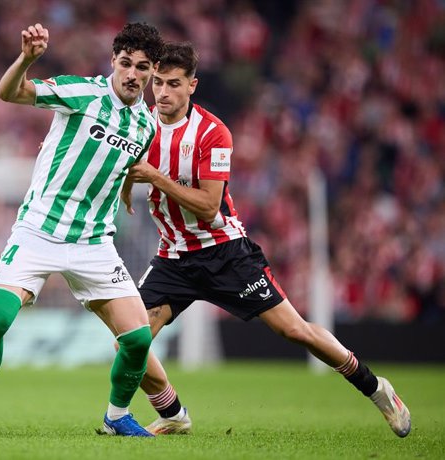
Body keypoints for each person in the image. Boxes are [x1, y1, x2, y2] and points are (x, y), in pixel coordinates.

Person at [121, 42, 411, 437]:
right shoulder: (140, 124)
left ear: (193, 85)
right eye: (158, 83)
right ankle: (172, 413)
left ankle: (377, 388)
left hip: (226, 253)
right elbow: (118, 162)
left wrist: (154, 178)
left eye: (174, 84)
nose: (163, 92)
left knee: (295, 331)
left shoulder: (213, 133)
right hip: (174, 257)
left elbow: (208, 207)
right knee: (130, 340)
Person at [0, 22, 164, 437]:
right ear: (113, 61)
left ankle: (116, 418)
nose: (132, 74)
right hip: (38, 231)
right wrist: (27, 59)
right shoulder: (82, 93)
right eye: (126, 63)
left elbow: (126, 167)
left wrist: (127, 191)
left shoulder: (146, 125)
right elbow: (9, 93)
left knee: (138, 339)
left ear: (151, 72)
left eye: (142, 67)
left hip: (94, 242)